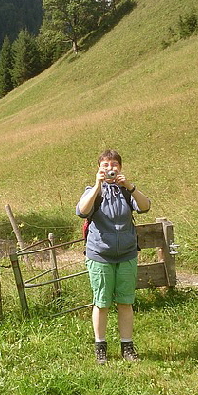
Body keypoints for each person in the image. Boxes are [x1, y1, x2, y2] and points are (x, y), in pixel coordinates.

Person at [76, 149, 151, 364]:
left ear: (120, 167)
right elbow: (82, 210)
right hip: (100, 255)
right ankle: (100, 346)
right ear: (99, 169)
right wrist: (98, 185)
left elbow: (145, 207)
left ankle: (127, 346)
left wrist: (130, 187)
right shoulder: (92, 190)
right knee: (101, 302)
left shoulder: (126, 191)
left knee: (125, 302)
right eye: (105, 166)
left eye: (114, 165)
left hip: (126, 254)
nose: (110, 169)